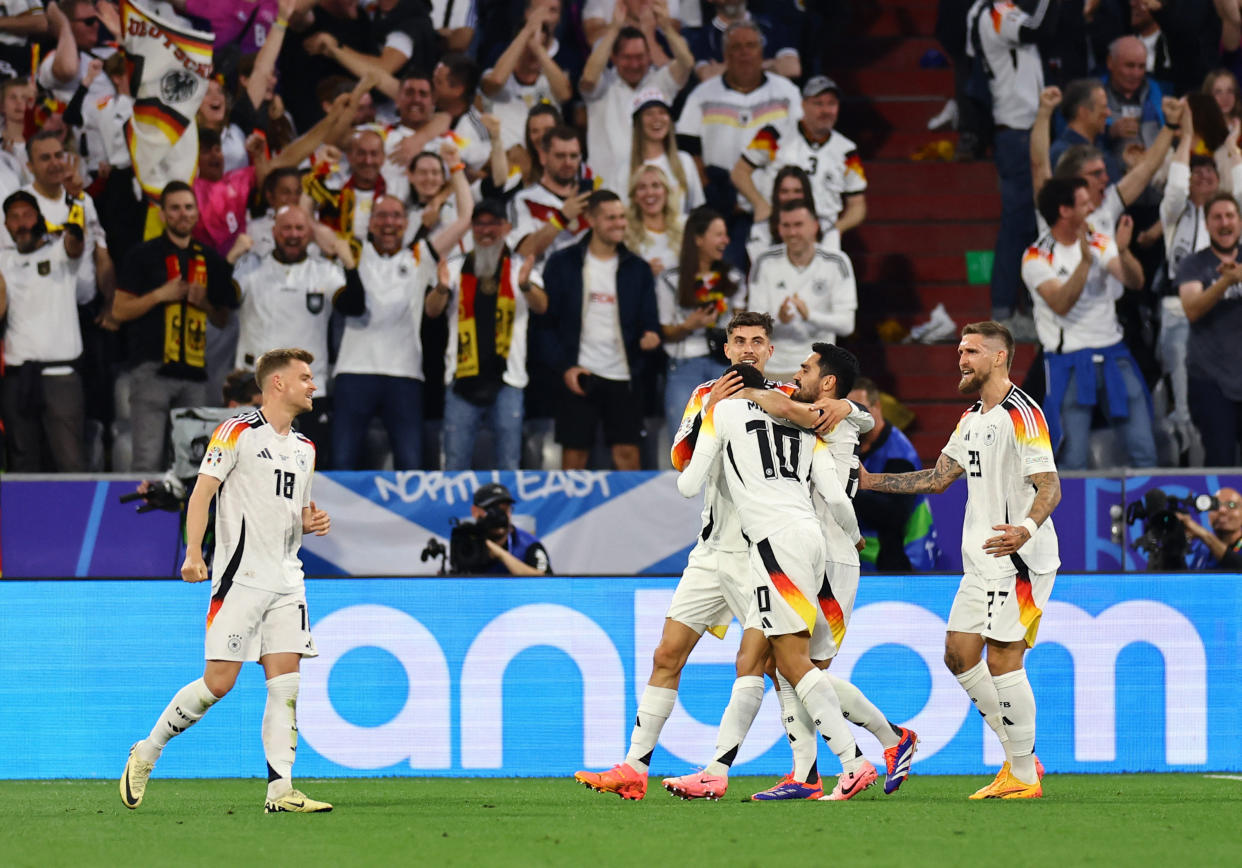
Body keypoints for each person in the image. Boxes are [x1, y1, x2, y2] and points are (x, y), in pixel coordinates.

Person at [572, 312, 858, 801]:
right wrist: (716, 414)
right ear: (726, 349)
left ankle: (815, 766)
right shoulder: (707, 397)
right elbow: (682, 462)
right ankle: (635, 768)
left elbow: (854, 418)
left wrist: (847, 404)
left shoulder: (790, 398)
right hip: (709, 552)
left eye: (758, 341)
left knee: (779, 662)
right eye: (739, 341)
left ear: (770, 351)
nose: (748, 349)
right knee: (668, 653)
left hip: (759, 552)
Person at [663, 344, 917, 802]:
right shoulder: (810, 426)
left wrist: (712, 420)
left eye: (804, 369)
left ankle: (858, 757)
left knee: (797, 665)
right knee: (769, 663)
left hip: (798, 551)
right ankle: (777, 771)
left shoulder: (778, 415)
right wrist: (856, 530)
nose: (794, 374)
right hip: (811, 541)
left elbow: (685, 484)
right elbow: (837, 494)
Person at [119, 347, 333, 814]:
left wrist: (309, 522)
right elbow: (201, 496)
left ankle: (281, 791)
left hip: (288, 580)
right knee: (218, 683)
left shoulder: (305, 449)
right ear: (277, 383)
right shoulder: (235, 432)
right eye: (305, 377)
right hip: (241, 579)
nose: (313, 385)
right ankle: (148, 750)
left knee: (286, 684)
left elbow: (295, 513)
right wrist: (194, 553)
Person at [860, 321, 1061, 799]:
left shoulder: (1023, 414)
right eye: (960, 350)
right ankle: (1021, 758)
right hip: (981, 562)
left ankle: (1022, 774)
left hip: (1017, 558)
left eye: (971, 350)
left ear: (998, 357)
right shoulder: (972, 417)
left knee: (1004, 659)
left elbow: (1049, 485)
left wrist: (1024, 531)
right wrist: (869, 482)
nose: (961, 358)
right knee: (958, 654)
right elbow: (938, 477)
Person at [1022, 176, 1155, 470]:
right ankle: (1069, 516)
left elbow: (1134, 281)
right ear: (1064, 211)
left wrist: (1122, 251)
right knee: (1072, 456)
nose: (1092, 207)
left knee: (1143, 449)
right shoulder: (1035, 256)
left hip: (1113, 355)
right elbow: (1060, 303)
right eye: (1084, 204)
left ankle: (1148, 512)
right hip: (1067, 362)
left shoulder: (1099, 241)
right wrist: (1084, 263)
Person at [111, 182, 239, 472]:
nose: (183, 214)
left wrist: (204, 303)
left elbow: (223, 318)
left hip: (195, 374)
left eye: (188, 207)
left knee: (194, 463)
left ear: (197, 212)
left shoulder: (209, 258)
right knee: (147, 459)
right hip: (151, 370)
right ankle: (143, 519)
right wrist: (159, 295)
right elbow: (119, 310)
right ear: (163, 215)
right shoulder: (142, 255)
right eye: (175, 208)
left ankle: (188, 520)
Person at [535, 189, 661, 470]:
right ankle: (572, 515)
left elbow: (650, 321)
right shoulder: (562, 264)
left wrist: (650, 337)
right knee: (574, 456)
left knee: (628, 453)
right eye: (610, 218)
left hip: (623, 375)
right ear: (591, 219)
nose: (619, 223)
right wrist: (565, 367)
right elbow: (546, 325)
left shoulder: (637, 269)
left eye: (622, 217)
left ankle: (630, 515)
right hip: (579, 374)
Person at [330, 194, 455, 470]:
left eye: (396, 216)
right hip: (354, 369)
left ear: (407, 223)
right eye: (382, 215)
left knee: (410, 463)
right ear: (370, 223)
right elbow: (309, 226)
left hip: (405, 372)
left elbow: (466, 220)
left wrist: (455, 169)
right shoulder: (354, 253)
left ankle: (407, 515)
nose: (389, 222)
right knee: (341, 461)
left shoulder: (420, 256)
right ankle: (335, 516)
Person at [964, 0, 1058, 323]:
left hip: (1021, 127)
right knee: (1017, 224)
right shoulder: (995, 10)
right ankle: (1005, 312)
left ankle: (1024, 308)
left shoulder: (989, 11)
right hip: (1017, 130)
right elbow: (1037, 29)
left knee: (1029, 223)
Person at [441, 199, 547, 470]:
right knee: (455, 461)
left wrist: (524, 285)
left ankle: (504, 513)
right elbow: (432, 311)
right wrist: (441, 289)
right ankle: (455, 513)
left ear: (506, 227)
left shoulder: (522, 267)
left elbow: (541, 305)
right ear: (471, 228)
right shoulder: (454, 267)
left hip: (507, 378)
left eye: (493, 223)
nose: (486, 230)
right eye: (480, 223)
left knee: (509, 461)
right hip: (461, 376)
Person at [0, 189, 88, 471]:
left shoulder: (60, 252)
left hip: (60, 377)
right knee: (22, 461)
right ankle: (22, 518)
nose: (22, 222)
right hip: (18, 377)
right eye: (14, 218)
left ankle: (77, 516)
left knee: (69, 461)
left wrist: (76, 205)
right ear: (6, 226)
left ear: (39, 218)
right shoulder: (4, 261)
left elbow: (75, 245)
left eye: (27, 214)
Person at [733, 75, 866, 253]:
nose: (825, 110)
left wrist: (838, 228)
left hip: (821, 229)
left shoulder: (847, 151)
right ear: (803, 105)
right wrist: (759, 204)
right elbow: (740, 172)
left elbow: (858, 204)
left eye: (831, 104)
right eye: (818, 103)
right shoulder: (774, 134)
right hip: (776, 225)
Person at [580, 6, 693, 193]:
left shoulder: (660, 81)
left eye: (640, 57)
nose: (634, 64)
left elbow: (687, 63)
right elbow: (589, 78)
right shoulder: (603, 85)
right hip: (606, 189)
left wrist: (665, 27)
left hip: (653, 189)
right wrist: (614, 30)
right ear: (614, 58)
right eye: (627, 57)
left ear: (649, 56)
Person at [655, 206, 745, 441]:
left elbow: (742, 326)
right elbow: (664, 331)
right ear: (698, 238)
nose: (725, 241)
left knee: (727, 442)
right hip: (683, 366)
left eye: (726, 234)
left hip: (723, 368)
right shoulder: (670, 280)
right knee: (686, 442)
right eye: (718, 235)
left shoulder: (733, 278)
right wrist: (689, 325)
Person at [747, 199, 857, 382]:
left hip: (818, 370)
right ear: (779, 228)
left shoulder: (836, 263)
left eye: (798, 225)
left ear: (815, 227)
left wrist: (809, 316)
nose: (792, 233)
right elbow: (753, 325)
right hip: (772, 367)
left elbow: (847, 325)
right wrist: (778, 319)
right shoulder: (764, 262)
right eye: (786, 226)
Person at [848, 376, 942, 573]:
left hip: (897, 560)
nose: (855, 417)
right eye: (850, 410)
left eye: (861, 410)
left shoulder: (900, 455)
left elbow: (895, 515)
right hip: (858, 554)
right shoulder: (849, 442)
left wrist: (850, 488)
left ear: (877, 407)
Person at [1174, 192, 1242, 467]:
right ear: (1206, 224)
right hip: (1210, 382)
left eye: (1230, 216)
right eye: (1217, 217)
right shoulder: (1193, 264)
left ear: (1239, 221)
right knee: (1220, 460)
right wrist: (1225, 282)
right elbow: (1192, 309)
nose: (1224, 223)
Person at [508, 125, 594, 264]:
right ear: (543, 157)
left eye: (573, 156)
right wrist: (562, 217)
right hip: (543, 282)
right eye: (560, 156)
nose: (568, 162)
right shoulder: (524, 200)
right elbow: (524, 251)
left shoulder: (591, 198)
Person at [626, 89, 703, 213]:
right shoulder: (624, 170)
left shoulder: (685, 161)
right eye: (649, 113)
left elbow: (696, 211)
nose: (657, 119)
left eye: (662, 112)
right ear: (638, 122)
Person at [462, 482, 552, 575]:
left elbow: (546, 582)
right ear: (475, 511)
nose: (500, 517)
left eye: (505, 511)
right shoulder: (464, 542)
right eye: (493, 511)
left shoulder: (529, 545)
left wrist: (501, 554)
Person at [623, 163, 683, 278]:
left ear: (666, 192)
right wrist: (643, 273)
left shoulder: (684, 227)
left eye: (656, 186)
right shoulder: (625, 234)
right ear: (634, 196)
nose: (649, 193)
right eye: (642, 187)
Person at [1181, 488, 1242, 570]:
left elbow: (1237, 565)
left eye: (1231, 505)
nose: (1222, 510)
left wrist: (1203, 534)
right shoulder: (1203, 548)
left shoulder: (1205, 538)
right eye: (1216, 505)